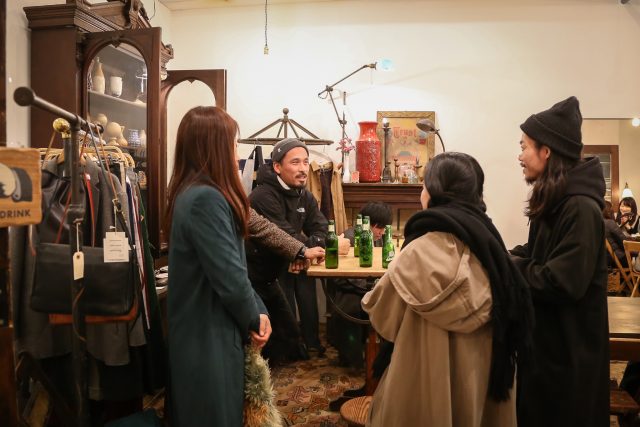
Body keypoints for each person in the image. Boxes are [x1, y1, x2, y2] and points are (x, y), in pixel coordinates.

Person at [362, 152, 533, 426]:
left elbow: (383, 319)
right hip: (480, 383)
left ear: (434, 192)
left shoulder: (415, 253)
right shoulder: (493, 255)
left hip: (419, 384)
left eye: (424, 186)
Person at [165, 106, 272, 427]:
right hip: (208, 334)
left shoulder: (191, 193)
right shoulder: (205, 199)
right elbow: (230, 276)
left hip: (202, 329)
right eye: (232, 145)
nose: (236, 154)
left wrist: (258, 309)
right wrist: (255, 316)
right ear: (214, 148)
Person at [510, 96, 610, 427]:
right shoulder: (558, 200)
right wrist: (500, 254)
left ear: (547, 151)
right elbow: (537, 252)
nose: (520, 156)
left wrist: (509, 268)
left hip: (569, 364)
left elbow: (561, 281)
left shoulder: (580, 207)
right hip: (548, 355)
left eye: (524, 147)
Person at [247, 137, 328, 356]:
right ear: (277, 167)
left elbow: (321, 227)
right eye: (295, 162)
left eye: (305, 162)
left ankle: (311, 342)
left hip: (294, 259)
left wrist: (305, 252)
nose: (303, 169)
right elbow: (284, 234)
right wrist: (304, 251)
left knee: (306, 279)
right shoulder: (262, 195)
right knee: (284, 338)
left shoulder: (304, 194)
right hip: (265, 271)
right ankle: (290, 349)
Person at [327, 202, 392, 368]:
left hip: (370, 287)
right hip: (350, 288)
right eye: (379, 227)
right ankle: (352, 359)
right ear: (368, 223)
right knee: (350, 305)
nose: (382, 232)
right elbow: (338, 277)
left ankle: (383, 358)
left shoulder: (379, 238)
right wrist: (368, 286)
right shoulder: (348, 238)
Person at [603, 200, 628, 267]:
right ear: (608, 211)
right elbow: (624, 242)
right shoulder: (609, 223)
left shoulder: (592, 223)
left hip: (601, 260)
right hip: (616, 259)